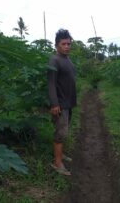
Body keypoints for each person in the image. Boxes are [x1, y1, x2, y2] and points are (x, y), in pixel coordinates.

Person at [47, 29, 76, 176]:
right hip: (60, 104)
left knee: (63, 132)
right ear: (57, 45)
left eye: (69, 43)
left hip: (68, 103)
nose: (67, 46)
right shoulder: (54, 60)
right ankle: (57, 163)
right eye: (64, 44)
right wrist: (54, 104)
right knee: (60, 133)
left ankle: (60, 154)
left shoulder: (67, 60)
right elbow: (51, 84)